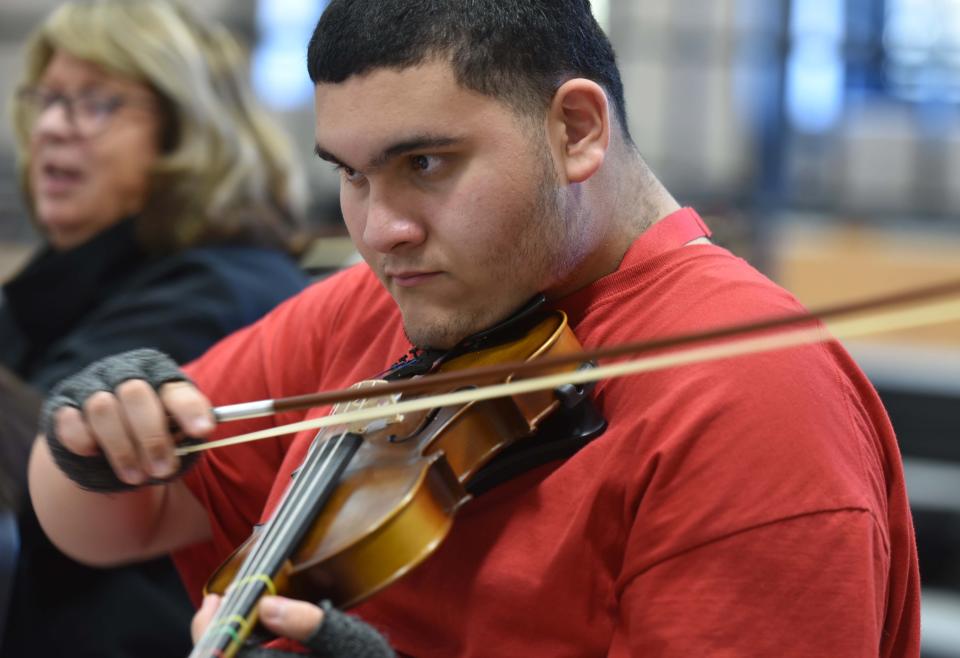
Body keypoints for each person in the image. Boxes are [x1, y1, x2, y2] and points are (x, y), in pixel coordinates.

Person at [28, 1, 921, 656]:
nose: (380, 231)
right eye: (353, 175)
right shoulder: (387, 303)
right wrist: (88, 437)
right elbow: (118, 524)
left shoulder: (751, 395)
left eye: (424, 164)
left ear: (575, 129)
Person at [1, 1, 312, 656]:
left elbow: (41, 466)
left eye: (96, 103)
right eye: (49, 100)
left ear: (184, 133)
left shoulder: (223, 288)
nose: (53, 127)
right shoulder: (70, 275)